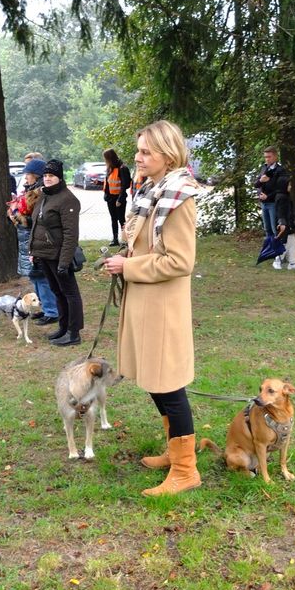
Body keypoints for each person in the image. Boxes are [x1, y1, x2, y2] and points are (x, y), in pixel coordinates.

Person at [103, 120, 201, 496]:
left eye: (146, 152)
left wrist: (129, 266)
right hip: (145, 300)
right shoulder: (153, 190)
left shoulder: (178, 196)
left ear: (167, 154)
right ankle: (174, 450)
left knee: (168, 385)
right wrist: (127, 255)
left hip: (162, 306)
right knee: (155, 383)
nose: (138, 158)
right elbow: (149, 247)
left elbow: (180, 261)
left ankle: (186, 469)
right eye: (138, 150)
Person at [29, 159, 84, 346]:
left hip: (59, 254)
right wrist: (32, 250)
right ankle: (63, 327)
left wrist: (64, 261)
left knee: (70, 293)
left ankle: (74, 333)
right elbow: (36, 223)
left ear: (59, 177)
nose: (47, 179)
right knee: (57, 292)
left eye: (51, 175)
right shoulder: (44, 196)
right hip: (44, 254)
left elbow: (71, 234)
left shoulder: (68, 199)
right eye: (45, 175)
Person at [9, 157, 59, 325]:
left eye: (28, 174)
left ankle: (52, 311)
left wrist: (16, 214)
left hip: (37, 239)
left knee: (42, 277)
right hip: (28, 240)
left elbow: (34, 220)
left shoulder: (39, 193)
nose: (26, 178)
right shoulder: (30, 190)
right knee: (35, 276)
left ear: (36, 175)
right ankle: (45, 308)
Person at [254, 146, 289, 239]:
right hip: (263, 203)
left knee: (275, 229)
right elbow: (256, 185)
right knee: (267, 229)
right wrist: (261, 181)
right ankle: (270, 250)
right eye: (265, 157)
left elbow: (281, 189)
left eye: (269, 157)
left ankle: (280, 251)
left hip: (273, 203)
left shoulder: (280, 170)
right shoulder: (264, 168)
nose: (267, 159)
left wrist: (268, 197)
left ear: (275, 157)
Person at [103, 148, 131, 246]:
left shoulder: (122, 168)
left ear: (110, 158)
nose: (105, 161)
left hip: (119, 198)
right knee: (113, 219)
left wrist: (120, 199)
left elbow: (125, 185)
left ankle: (125, 240)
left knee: (121, 219)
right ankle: (115, 239)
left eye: (106, 158)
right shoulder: (110, 168)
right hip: (110, 198)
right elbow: (109, 183)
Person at [274, 178, 295, 270]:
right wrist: (282, 223)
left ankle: (292, 263)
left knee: (292, 242)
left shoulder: (285, 196)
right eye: (289, 185)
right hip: (284, 224)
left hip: (288, 223)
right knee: (285, 243)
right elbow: (280, 212)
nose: (290, 187)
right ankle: (277, 260)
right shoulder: (281, 197)